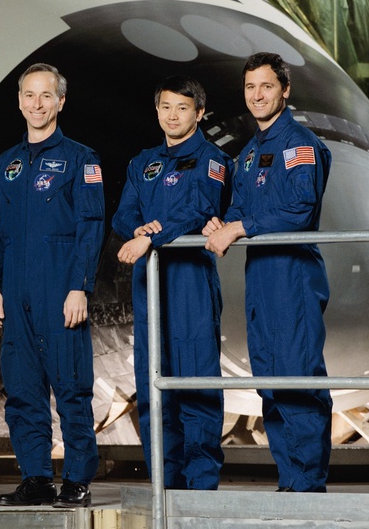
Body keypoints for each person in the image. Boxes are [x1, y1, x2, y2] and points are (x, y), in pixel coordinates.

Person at [203, 52, 332, 493]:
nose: (257, 95)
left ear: (285, 90)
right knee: (271, 386)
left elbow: (299, 209)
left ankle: (308, 486)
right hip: (261, 280)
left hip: (292, 279)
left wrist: (241, 226)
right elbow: (239, 206)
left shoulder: (298, 146)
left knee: (297, 380)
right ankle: (290, 480)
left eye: (267, 86)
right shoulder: (249, 154)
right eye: (250, 87)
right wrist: (222, 222)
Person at [0, 63, 104, 509]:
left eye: (46, 96)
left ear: (61, 102)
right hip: (15, 290)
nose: (37, 104)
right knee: (23, 390)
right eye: (29, 96)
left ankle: (76, 478)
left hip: (60, 288)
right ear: (19, 101)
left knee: (72, 387)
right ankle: (36, 478)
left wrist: (80, 287)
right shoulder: (4, 165)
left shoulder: (81, 159)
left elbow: (91, 226)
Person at [112, 75, 232, 491]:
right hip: (150, 284)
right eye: (166, 107)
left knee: (195, 383)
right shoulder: (142, 162)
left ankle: (200, 484)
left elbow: (201, 209)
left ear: (199, 113)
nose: (173, 115)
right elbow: (122, 214)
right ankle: (165, 482)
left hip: (190, 283)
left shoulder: (211, 159)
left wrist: (152, 236)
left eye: (182, 108)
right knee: (153, 385)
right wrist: (138, 229)